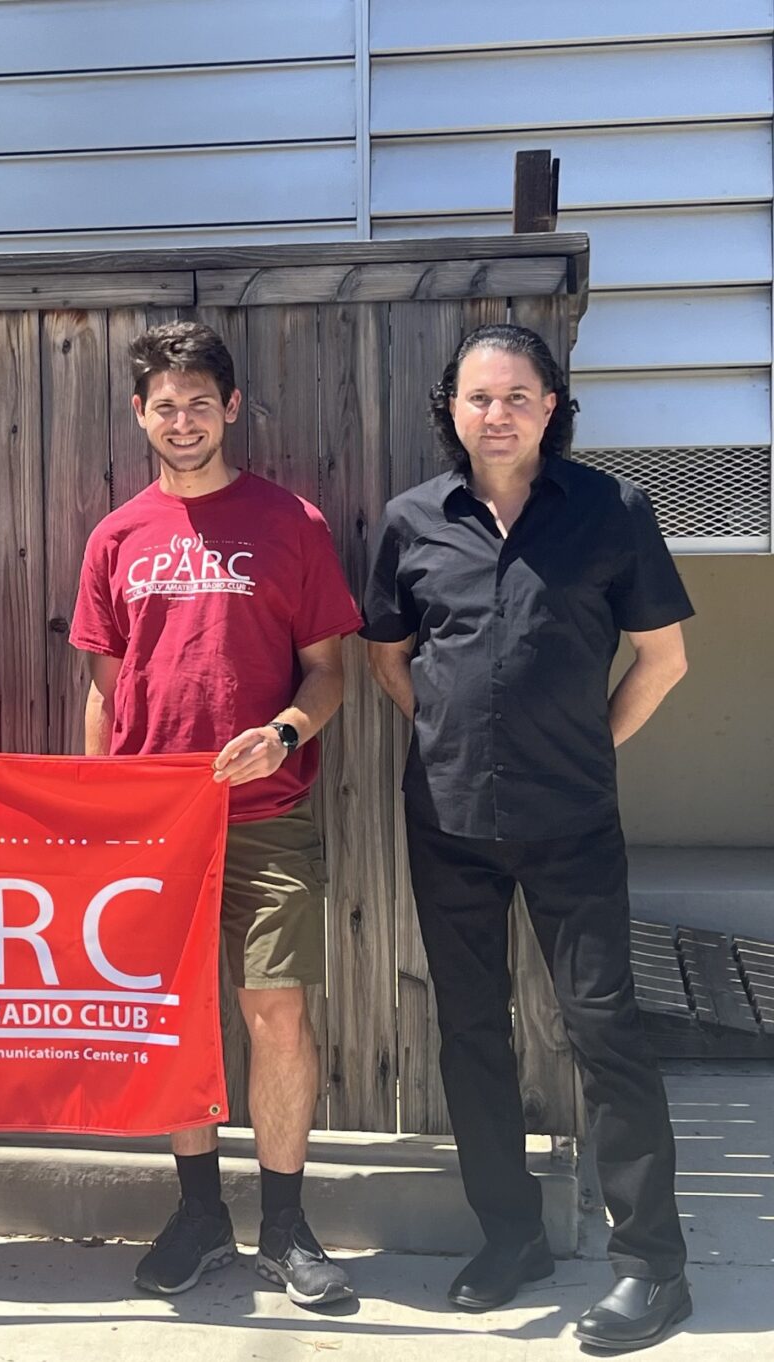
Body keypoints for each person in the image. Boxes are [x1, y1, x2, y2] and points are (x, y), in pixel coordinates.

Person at [361, 324, 693, 1350]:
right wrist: (456, 739)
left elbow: (662, 660)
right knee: (470, 1033)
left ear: (551, 406)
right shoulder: (414, 520)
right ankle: (512, 1238)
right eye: (476, 398)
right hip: (450, 820)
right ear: (450, 410)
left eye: (516, 396)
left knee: (606, 1033)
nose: (495, 414)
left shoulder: (610, 512)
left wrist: (585, 747)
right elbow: (389, 659)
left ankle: (653, 1269)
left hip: (573, 823)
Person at [70, 322, 362, 1307]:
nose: (182, 420)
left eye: (200, 402)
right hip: (152, 825)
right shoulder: (118, 537)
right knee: (178, 1024)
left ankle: (286, 1225)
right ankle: (200, 1217)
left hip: (269, 813)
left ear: (230, 409)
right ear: (140, 414)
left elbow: (330, 673)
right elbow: (106, 690)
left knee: (275, 1011)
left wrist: (283, 732)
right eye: (164, 405)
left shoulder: (293, 523)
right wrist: (96, 811)